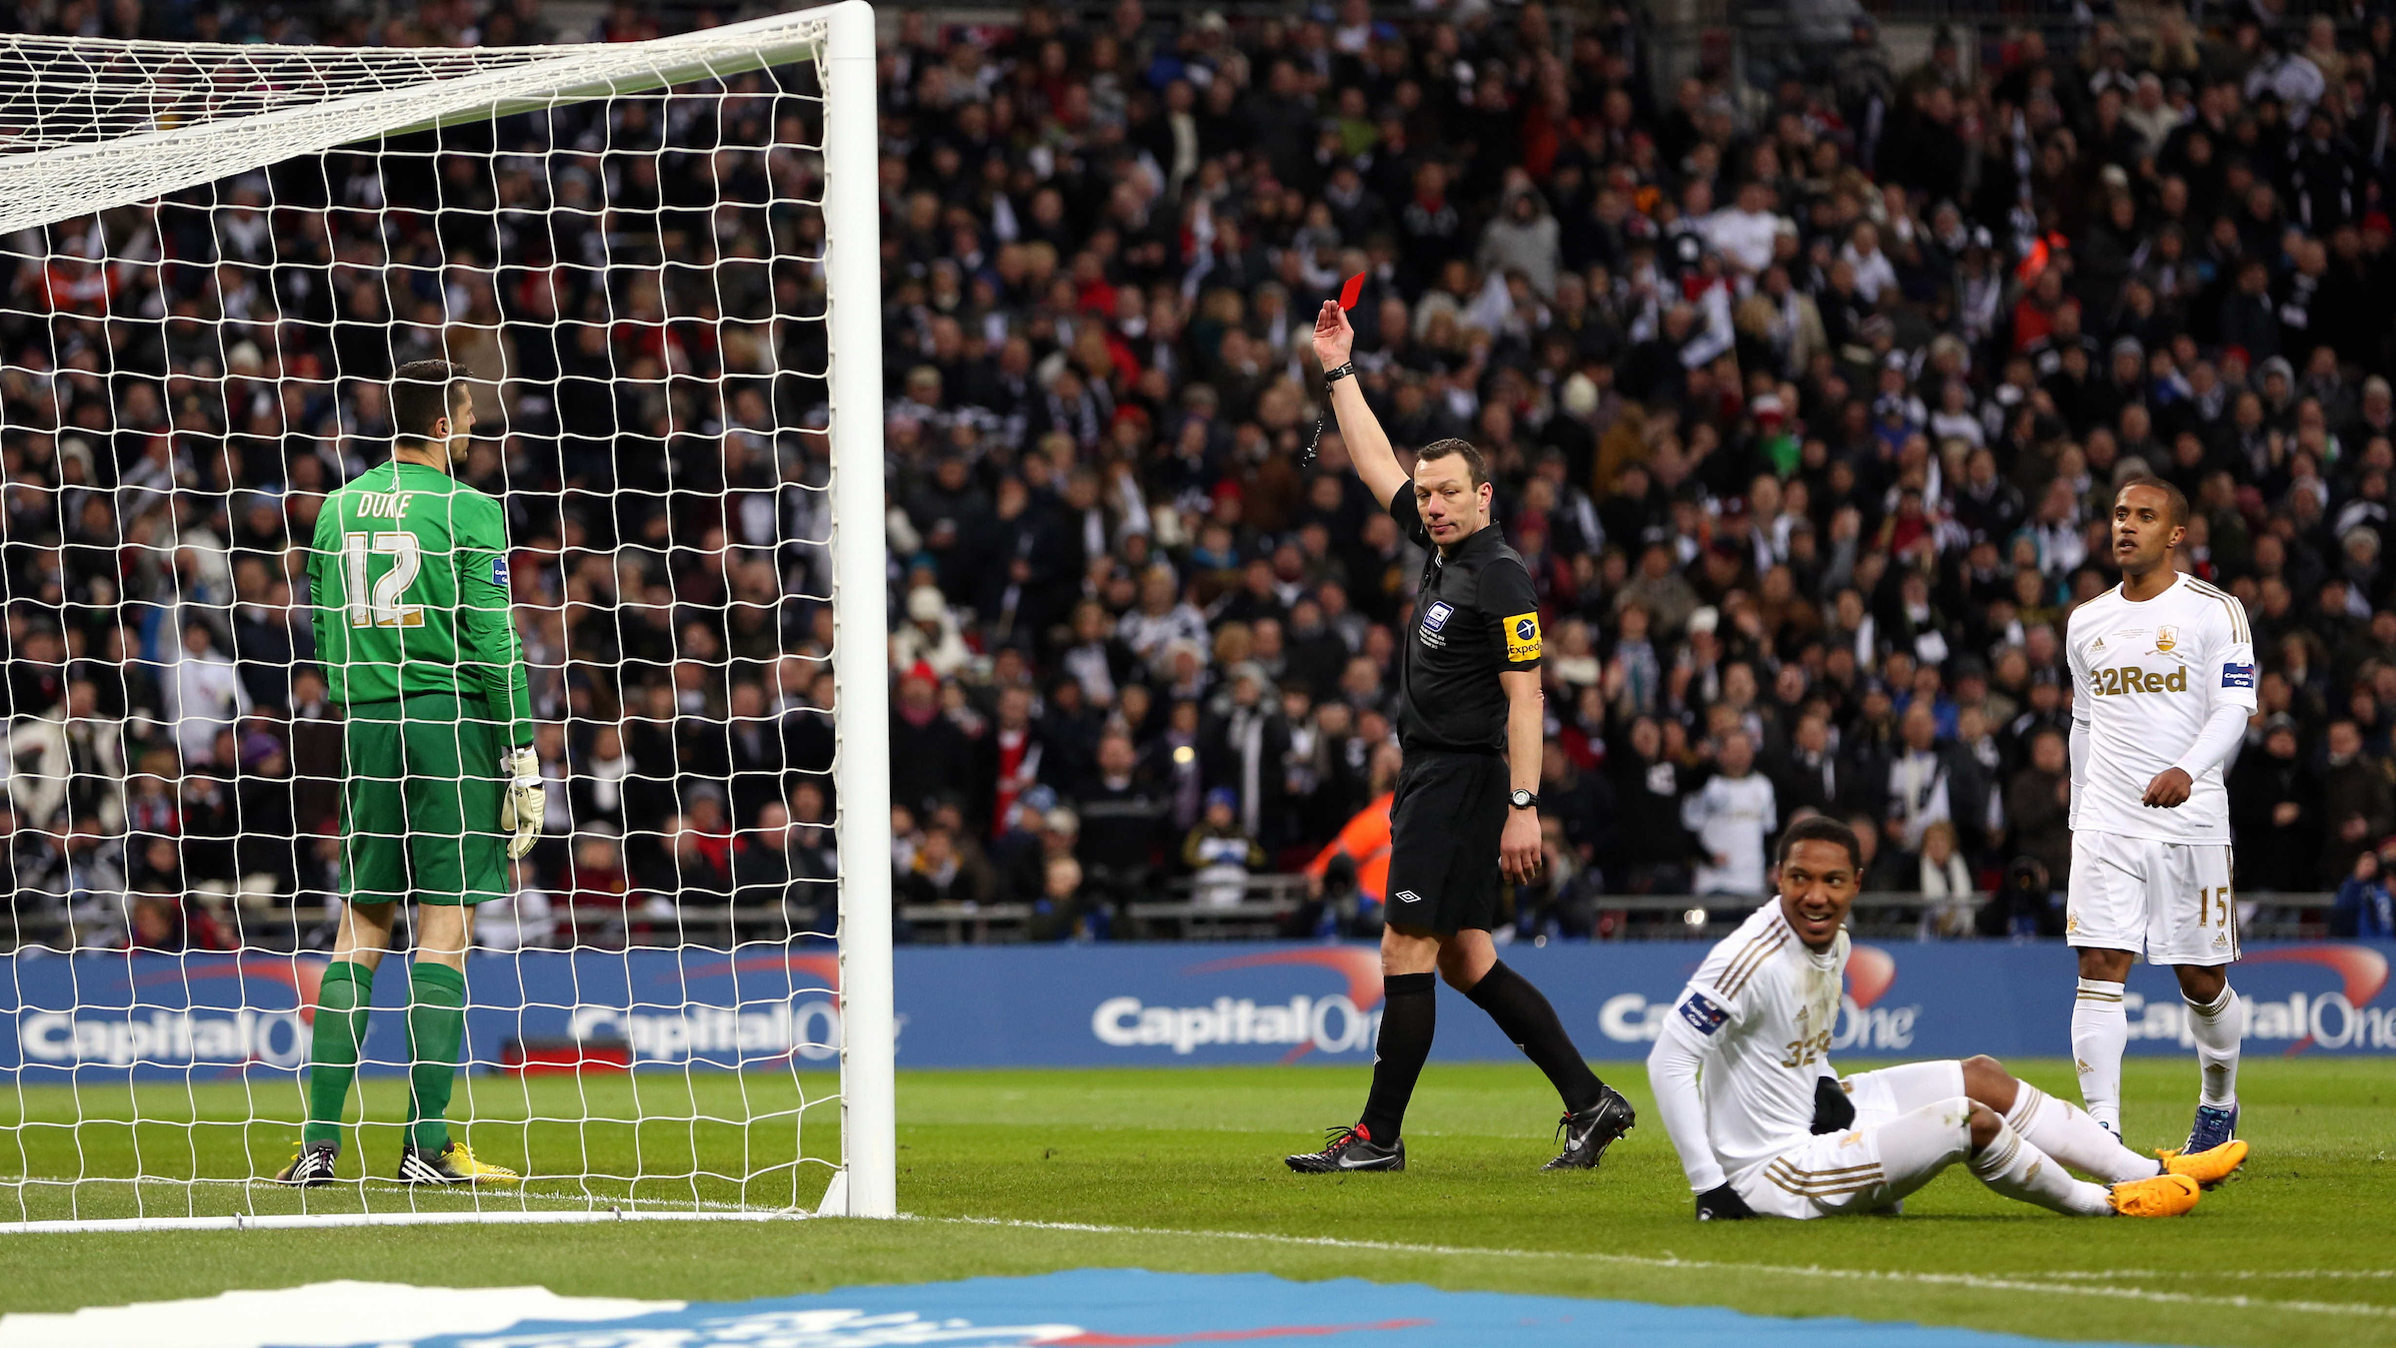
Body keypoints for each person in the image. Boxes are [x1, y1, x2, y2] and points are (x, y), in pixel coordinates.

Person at [1285, 298, 1634, 1175]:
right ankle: (1592, 1102)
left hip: (1465, 781)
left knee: (1404, 946)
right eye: (1426, 492)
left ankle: (1379, 1137)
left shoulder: (1500, 576)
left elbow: (1529, 699)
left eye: (1447, 493)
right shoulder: (1447, 553)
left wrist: (1525, 806)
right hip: (1436, 775)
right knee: (1467, 959)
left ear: (1484, 497)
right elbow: (1371, 463)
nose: (1430, 505)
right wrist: (1339, 368)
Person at [1647, 816, 2246, 1222]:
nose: (1816, 896)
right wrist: (1711, 1187)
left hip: (1811, 1122)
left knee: (1981, 1075)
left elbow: (1800, 1035)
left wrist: (1824, 1078)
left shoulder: (1835, 943)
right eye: (1800, 879)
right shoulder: (1748, 958)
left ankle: (2148, 1168)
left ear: (1856, 884)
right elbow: (1669, 1058)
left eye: (1832, 881)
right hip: (1772, 1172)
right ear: (1779, 879)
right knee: (1969, 1121)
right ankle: (2108, 1203)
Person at [276, 360, 539, 1188]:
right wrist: (521, 751)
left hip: (365, 726)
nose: (472, 429)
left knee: (359, 930)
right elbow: (496, 643)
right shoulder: (468, 509)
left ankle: (317, 1147)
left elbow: (323, 633)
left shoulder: (337, 506)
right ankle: (426, 1145)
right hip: (444, 724)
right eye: (466, 415)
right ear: (442, 422)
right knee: (444, 932)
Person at [2064, 477, 2255, 1154]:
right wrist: (2079, 814)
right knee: (2099, 963)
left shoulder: (2215, 611)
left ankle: (2218, 1100)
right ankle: (2104, 1135)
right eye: (2119, 514)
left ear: (2176, 534)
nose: (2127, 526)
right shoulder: (2085, 620)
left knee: (2201, 982)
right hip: (2106, 821)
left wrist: (2188, 770)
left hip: (2190, 821)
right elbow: (2083, 724)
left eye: (2145, 516)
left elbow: (2234, 710)